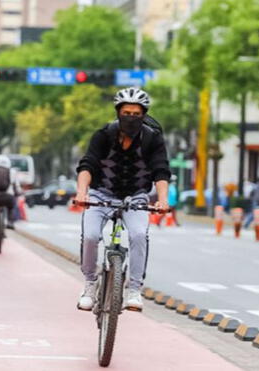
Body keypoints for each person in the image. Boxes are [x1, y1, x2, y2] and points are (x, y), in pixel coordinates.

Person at [75, 87, 170, 312]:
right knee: (90, 236)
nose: (131, 118)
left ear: (144, 115)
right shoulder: (104, 135)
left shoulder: (152, 139)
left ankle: (135, 290)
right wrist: (82, 192)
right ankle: (89, 284)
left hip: (135, 196)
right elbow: (87, 164)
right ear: (118, 112)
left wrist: (162, 200)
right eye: (126, 113)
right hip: (100, 194)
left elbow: (161, 171)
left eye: (136, 114)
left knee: (138, 235)